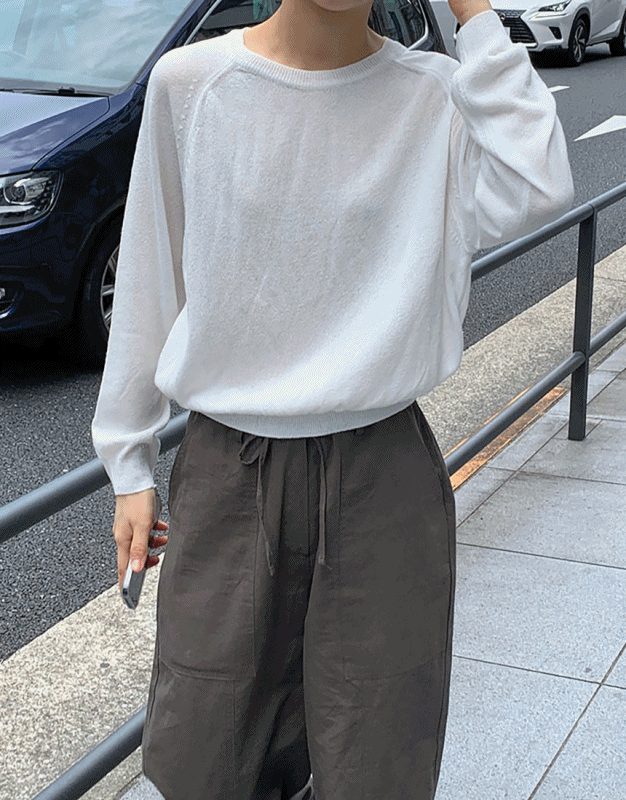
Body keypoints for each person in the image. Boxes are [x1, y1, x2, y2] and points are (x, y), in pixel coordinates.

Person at [91, 0, 574, 794]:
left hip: (384, 468)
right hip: (229, 468)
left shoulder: (436, 95)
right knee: (209, 756)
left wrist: (476, 16)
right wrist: (128, 462)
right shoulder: (193, 84)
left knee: (379, 759)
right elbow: (150, 276)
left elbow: (540, 185)